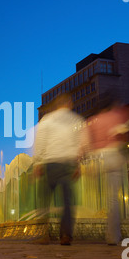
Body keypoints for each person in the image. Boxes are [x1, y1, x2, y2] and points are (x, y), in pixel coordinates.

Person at [33, 93, 89, 245]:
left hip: (51, 163)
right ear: (69, 104)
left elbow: (40, 141)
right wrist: (79, 165)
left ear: (57, 104)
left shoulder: (47, 120)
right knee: (68, 201)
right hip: (68, 164)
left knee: (44, 199)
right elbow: (83, 144)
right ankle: (66, 235)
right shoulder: (77, 120)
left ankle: (44, 234)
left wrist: (38, 163)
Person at [87, 93, 129, 245]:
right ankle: (113, 235)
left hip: (99, 159)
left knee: (103, 197)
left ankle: (111, 232)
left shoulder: (94, 120)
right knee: (114, 199)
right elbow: (126, 130)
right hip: (114, 157)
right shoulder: (117, 116)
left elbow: (89, 141)